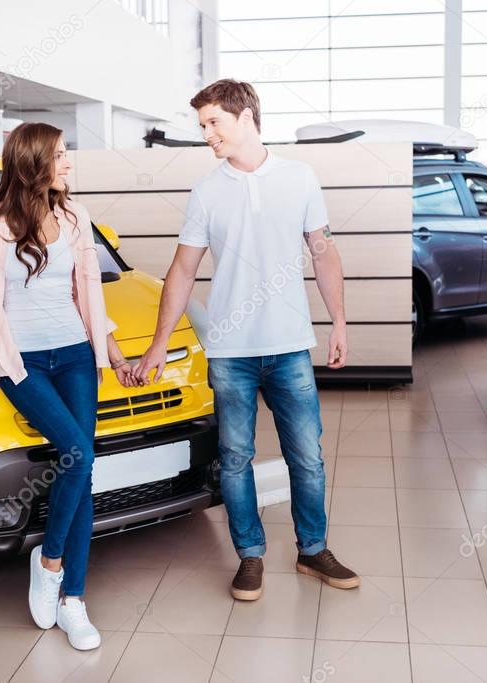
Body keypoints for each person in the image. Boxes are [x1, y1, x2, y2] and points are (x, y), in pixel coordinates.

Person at [134, 79, 359, 600]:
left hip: (289, 347)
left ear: (246, 117)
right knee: (235, 459)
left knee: (307, 456)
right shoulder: (207, 192)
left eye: (214, 122)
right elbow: (182, 271)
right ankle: (250, 557)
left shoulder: (300, 178)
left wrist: (340, 322)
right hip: (230, 351)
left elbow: (322, 253)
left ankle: (313, 549)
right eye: (203, 125)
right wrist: (156, 343)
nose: (207, 135)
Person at [0, 123, 138, 650]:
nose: (69, 164)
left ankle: (73, 600)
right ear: (32, 162)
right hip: (22, 363)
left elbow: (88, 291)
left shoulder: (74, 216)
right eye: (61, 155)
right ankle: (48, 565)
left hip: (74, 357)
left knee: (81, 469)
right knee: (78, 455)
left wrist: (112, 352)